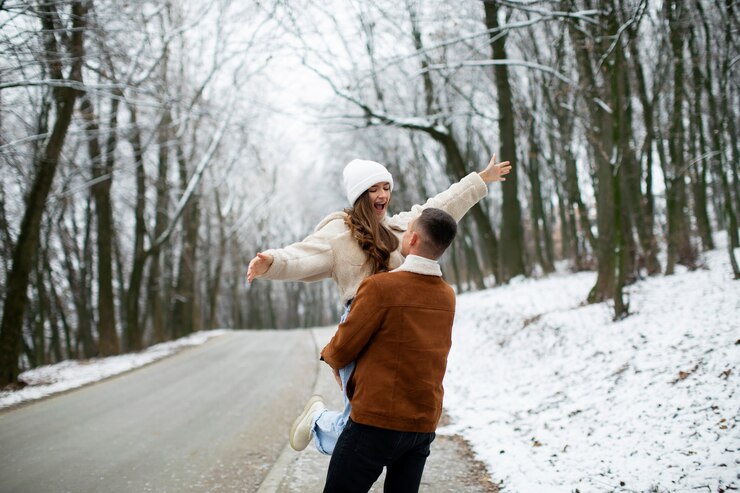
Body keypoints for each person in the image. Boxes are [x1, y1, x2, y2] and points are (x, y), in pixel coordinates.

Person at [247, 155, 511, 455]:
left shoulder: (401, 228)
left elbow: (442, 206)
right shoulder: (338, 235)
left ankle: (354, 445)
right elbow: (301, 256)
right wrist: (271, 262)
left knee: (384, 421)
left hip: (397, 329)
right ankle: (319, 422)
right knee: (360, 423)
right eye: (374, 189)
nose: (383, 195)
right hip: (359, 328)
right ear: (361, 195)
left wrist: (479, 179)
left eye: (386, 187)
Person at [318, 208, 459, 492]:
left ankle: (317, 422)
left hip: (376, 421)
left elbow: (346, 344)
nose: (404, 235)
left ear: (414, 239)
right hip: (422, 424)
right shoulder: (447, 295)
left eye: (407, 231)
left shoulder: (381, 287)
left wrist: (330, 357)